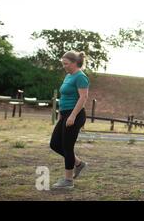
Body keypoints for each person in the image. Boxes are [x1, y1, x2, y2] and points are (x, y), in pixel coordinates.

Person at [50, 51, 89, 189]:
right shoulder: (68, 76)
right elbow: (65, 97)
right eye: (63, 64)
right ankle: (78, 164)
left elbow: (83, 98)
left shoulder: (81, 77)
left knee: (67, 147)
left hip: (75, 115)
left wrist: (72, 115)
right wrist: (61, 115)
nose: (64, 66)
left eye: (66, 64)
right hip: (65, 115)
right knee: (55, 144)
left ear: (74, 63)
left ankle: (68, 181)